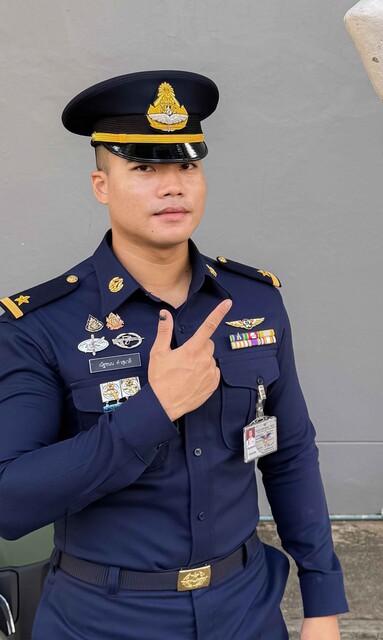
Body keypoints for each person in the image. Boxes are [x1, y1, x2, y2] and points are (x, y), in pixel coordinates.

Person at [0, 70, 347, 640]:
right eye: (144, 169)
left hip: (245, 611)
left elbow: (289, 454)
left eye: (187, 166)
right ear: (101, 186)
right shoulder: (42, 325)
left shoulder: (253, 301)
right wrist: (153, 409)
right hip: (103, 618)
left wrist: (322, 605)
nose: (173, 187)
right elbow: (11, 502)